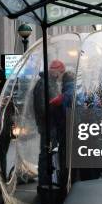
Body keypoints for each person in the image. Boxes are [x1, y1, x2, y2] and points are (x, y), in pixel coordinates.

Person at [33, 59, 65, 189]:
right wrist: (56, 107)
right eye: (61, 72)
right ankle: (44, 182)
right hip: (48, 124)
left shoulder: (49, 83)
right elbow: (42, 108)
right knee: (47, 152)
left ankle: (47, 180)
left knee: (49, 152)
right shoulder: (44, 84)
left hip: (50, 124)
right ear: (56, 71)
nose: (61, 76)